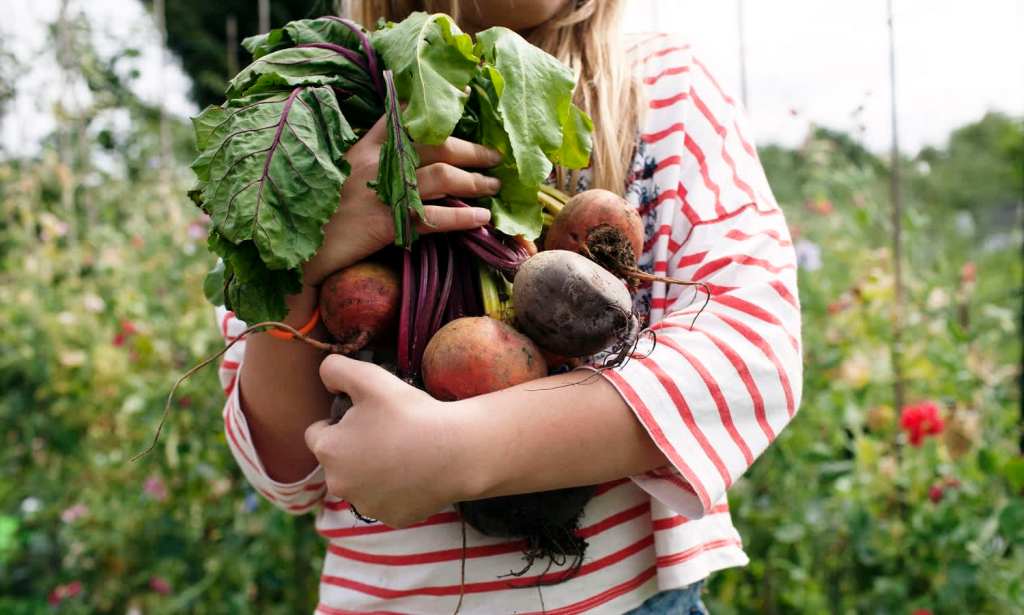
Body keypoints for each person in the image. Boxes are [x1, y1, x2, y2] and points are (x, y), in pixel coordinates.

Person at [215, 1, 802, 612]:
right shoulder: (321, 120)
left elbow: (753, 352)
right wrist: (300, 254)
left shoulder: (659, 87)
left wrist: (461, 449)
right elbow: (286, 472)